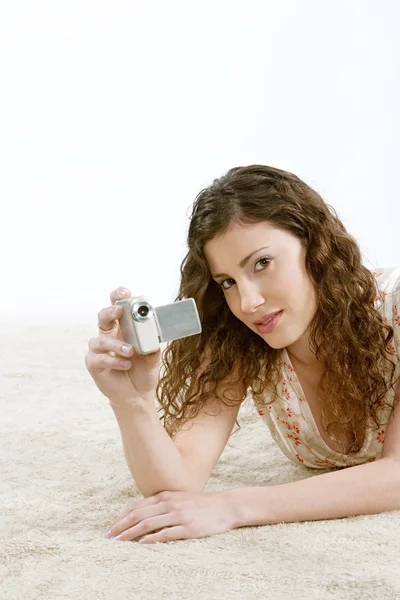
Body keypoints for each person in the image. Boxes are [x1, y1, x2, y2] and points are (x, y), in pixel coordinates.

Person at [85, 164, 400, 545]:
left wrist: (232, 507)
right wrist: (132, 401)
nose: (248, 303)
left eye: (262, 263)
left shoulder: (394, 309)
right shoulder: (243, 341)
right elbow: (178, 486)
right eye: (228, 282)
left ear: (314, 244)